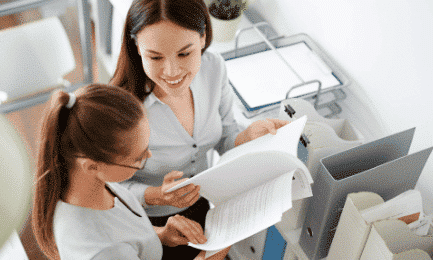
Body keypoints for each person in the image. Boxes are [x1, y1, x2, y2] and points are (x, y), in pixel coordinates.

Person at [109, 0, 289, 258]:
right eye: (155, 57)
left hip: (203, 208)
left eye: (184, 53)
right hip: (145, 224)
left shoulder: (214, 68)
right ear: (137, 47)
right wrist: (156, 195)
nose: (172, 71)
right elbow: (108, 190)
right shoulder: (120, 108)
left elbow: (226, 137)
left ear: (203, 38)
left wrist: (247, 136)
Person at [31, 84, 230, 260]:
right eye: (138, 159)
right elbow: (116, 243)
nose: (149, 156)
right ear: (92, 166)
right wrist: (215, 250)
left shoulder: (86, 184)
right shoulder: (103, 251)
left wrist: (160, 235)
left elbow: (121, 230)